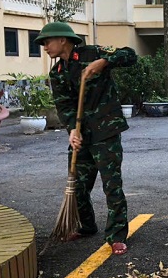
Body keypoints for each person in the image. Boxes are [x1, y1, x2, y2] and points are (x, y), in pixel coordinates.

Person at [36, 21, 137, 256]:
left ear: (63, 40)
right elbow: (64, 106)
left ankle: (116, 235)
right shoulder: (57, 73)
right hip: (82, 135)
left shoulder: (93, 53)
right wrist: (72, 130)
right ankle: (87, 225)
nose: (44, 47)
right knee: (78, 185)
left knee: (112, 185)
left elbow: (130, 56)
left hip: (105, 130)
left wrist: (104, 62)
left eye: (47, 41)